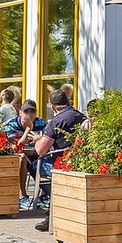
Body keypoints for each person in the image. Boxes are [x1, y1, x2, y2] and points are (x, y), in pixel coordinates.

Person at [32, 89, 87, 230]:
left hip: (60, 163)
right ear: (69, 102)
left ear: (53, 107)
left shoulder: (56, 121)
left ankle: (53, 208)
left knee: (33, 166)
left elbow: (40, 150)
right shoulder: (82, 117)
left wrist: (38, 139)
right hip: (81, 161)